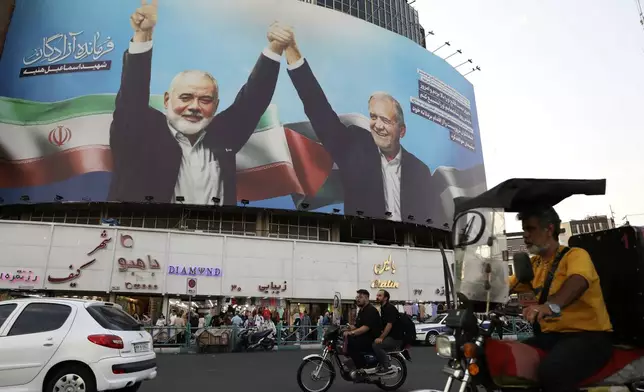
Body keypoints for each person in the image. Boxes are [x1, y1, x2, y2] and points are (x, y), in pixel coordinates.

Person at [109, 0, 294, 205]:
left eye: (205, 100)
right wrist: (143, 37)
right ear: (167, 100)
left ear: (215, 105)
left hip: (215, 234)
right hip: (146, 232)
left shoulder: (222, 136)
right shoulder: (141, 130)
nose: (195, 107)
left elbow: (253, 101)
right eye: (186, 97)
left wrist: (276, 47)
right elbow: (132, 97)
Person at [270, 28, 438, 223]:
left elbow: (429, 217)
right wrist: (293, 53)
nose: (377, 125)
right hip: (362, 243)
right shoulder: (356, 146)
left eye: (386, 120)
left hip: (411, 245)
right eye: (374, 117)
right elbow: (319, 111)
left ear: (402, 130)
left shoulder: (419, 170)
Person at [510, 206, 613, 392]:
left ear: (549, 229)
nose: (525, 235)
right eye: (523, 229)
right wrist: (479, 287)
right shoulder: (533, 264)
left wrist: (550, 306)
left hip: (587, 337)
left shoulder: (575, 255)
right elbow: (505, 286)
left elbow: (578, 281)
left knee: (553, 371)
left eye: (530, 229)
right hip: (551, 338)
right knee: (511, 362)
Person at [343, 289, 382, 370]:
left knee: (352, 343)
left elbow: (365, 328)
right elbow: (357, 326)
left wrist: (351, 333)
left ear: (367, 298)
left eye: (360, 297)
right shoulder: (361, 310)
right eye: (357, 297)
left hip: (371, 338)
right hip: (364, 336)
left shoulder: (371, 310)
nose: (358, 299)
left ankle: (361, 367)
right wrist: (346, 328)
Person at [373, 289, 403, 375]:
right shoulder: (383, 308)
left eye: (380, 296)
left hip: (395, 338)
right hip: (390, 336)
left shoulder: (389, 308)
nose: (377, 297)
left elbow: (389, 325)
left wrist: (381, 338)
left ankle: (387, 367)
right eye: (377, 295)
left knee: (376, 345)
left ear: (385, 298)